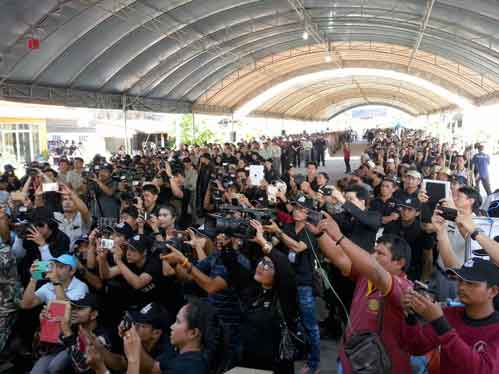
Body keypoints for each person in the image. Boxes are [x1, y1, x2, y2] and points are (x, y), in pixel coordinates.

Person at [316, 216, 413, 374]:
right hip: (350, 360)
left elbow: (376, 271)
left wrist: (339, 236)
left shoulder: (404, 288)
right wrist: (319, 234)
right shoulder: (366, 276)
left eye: (380, 254)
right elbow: (339, 257)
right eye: (373, 251)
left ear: (399, 263)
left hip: (380, 367)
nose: (373, 256)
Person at [222, 220, 299, 373]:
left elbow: (284, 265)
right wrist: (229, 243)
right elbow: (232, 265)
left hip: (274, 365)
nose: (261, 266)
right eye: (261, 262)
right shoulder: (253, 288)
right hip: (248, 361)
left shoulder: (284, 296)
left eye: (268, 266)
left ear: (278, 275)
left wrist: (263, 241)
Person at [401, 258, 499, 374]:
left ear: (492, 291)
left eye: (471, 283)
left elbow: (482, 369)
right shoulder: (450, 314)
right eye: (460, 281)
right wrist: (410, 317)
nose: (462, 287)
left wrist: (441, 324)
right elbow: (416, 347)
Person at [265, 198, 321, 373]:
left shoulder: (310, 231)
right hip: (287, 281)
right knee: (290, 321)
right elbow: (273, 244)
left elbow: (297, 247)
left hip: (304, 283)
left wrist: (278, 233)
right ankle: (297, 352)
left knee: (310, 324)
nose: (297, 211)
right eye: (296, 207)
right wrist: (263, 235)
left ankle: (314, 363)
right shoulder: (288, 227)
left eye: (302, 209)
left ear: (309, 214)